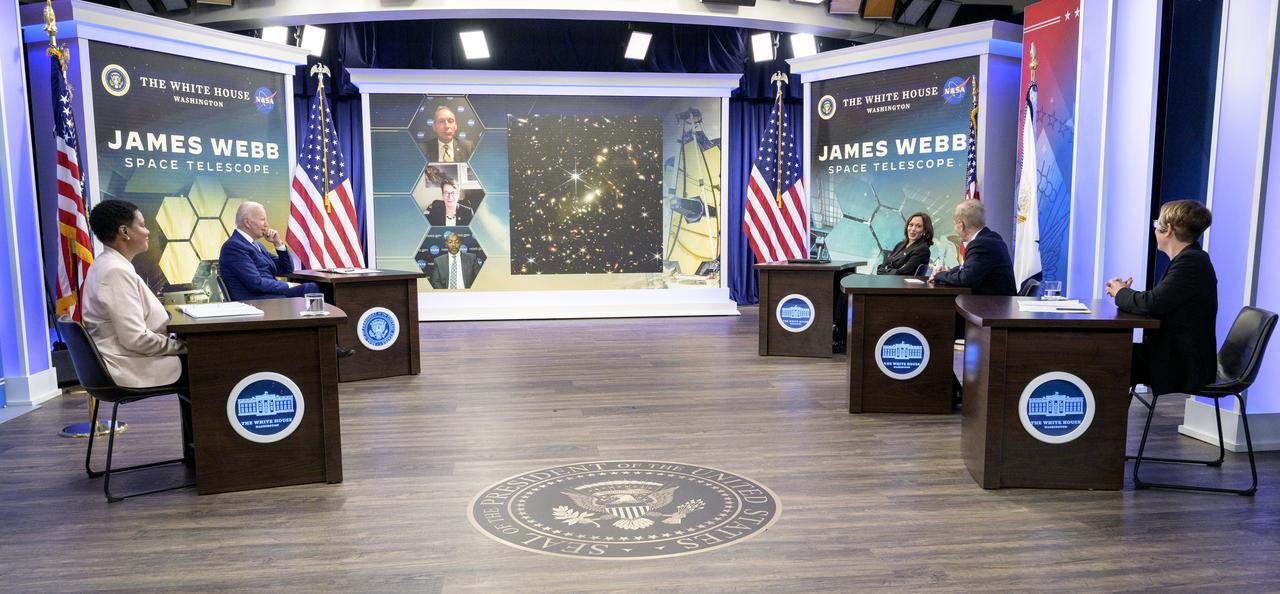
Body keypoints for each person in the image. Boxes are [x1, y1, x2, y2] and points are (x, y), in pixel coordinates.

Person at [1105, 200, 1217, 396]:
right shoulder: (1189, 259)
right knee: (1113, 354)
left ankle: (1106, 423)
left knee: (1110, 357)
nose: (1154, 230)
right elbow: (1159, 301)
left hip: (1183, 362)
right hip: (1176, 354)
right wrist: (1125, 293)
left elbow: (1152, 303)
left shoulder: (1191, 262)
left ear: (1168, 230)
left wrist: (1120, 292)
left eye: (1157, 224)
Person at [81, 199, 187, 388]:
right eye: (142, 225)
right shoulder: (115, 272)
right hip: (130, 365)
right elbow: (136, 339)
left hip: (128, 357)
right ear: (124, 232)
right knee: (209, 363)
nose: (147, 232)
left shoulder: (106, 264)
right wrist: (184, 348)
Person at [219, 201, 318, 300]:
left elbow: (286, 269)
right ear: (247, 222)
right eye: (262, 220)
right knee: (309, 288)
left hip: (269, 296)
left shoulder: (258, 246)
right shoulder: (234, 247)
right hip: (257, 301)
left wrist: (278, 244)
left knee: (317, 287)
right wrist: (289, 285)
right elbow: (256, 283)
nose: (267, 224)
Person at [930, 200, 1017, 295]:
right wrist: (949, 272)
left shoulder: (981, 244)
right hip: (996, 302)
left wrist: (939, 275)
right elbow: (968, 268)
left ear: (960, 224)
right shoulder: (991, 237)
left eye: (955, 224)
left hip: (994, 306)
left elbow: (966, 279)